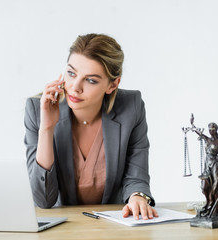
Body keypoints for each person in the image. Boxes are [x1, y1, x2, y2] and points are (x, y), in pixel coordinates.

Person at [24, 33, 158, 220]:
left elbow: (136, 176)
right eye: (71, 73)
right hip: (62, 228)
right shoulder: (38, 109)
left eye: (91, 80)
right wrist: (46, 128)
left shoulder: (131, 107)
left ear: (113, 84)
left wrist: (137, 197)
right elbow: (43, 200)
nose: (75, 87)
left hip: (113, 225)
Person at [191, 121, 218, 217]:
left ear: (216, 130)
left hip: (215, 165)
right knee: (204, 186)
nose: (211, 131)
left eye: (213, 129)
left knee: (215, 187)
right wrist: (192, 124)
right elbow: (197, 132)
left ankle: (215, 207)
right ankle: (208, 203)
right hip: (207, 164)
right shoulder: (206, 139)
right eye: (210, 129)